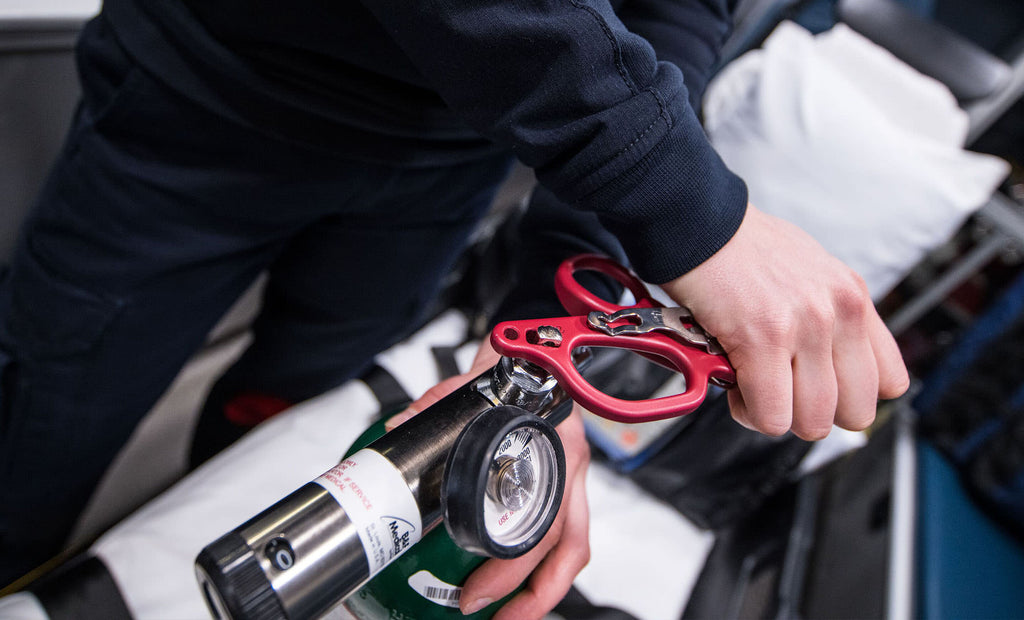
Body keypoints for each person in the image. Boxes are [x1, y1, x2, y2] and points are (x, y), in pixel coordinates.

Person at [0, 0, 910, 616]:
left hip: (442, 162)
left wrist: (557, 335)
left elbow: (668, 15)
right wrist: (695, 212)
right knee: (51, 407)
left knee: (294, 390)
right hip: (210, 91)